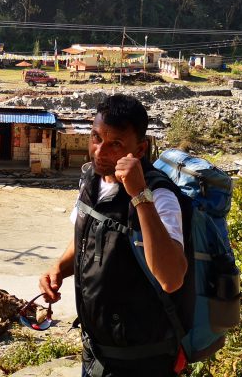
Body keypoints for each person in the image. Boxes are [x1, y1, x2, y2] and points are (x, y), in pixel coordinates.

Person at [39, 94, 190, 376]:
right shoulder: (91, 180)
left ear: (141, 149)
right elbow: (86, 238)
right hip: (96, 355)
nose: (99, 151)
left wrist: (139, 196)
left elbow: (171, 279)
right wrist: (58, 268)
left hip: (143, 363)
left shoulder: (160, 196)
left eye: (115, 144)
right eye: (96, 137)